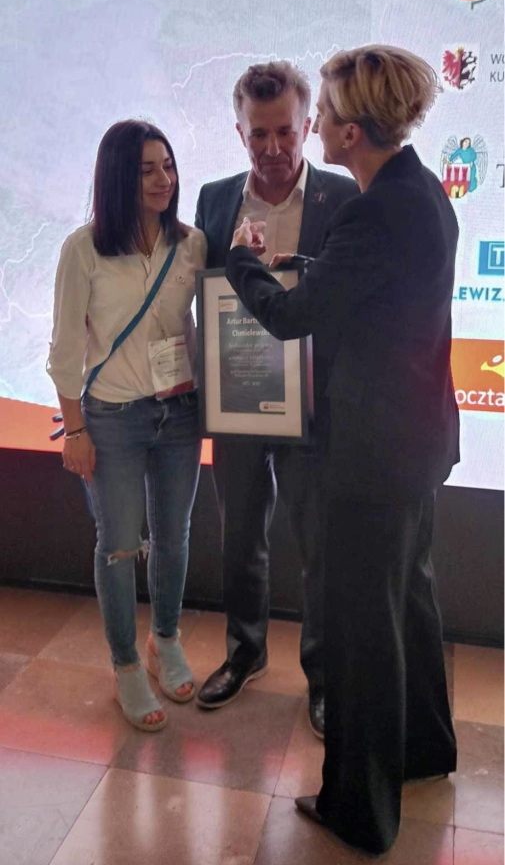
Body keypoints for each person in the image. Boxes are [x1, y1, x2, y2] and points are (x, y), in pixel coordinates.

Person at [226, 45, 459, 855]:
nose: (314, 125)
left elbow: (292, 319)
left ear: (349, 131)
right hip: (415, 443)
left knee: (364, 631)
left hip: (370, 454)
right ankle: (424, 749)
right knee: (410, 603)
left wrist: (243, 264)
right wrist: (302, 264)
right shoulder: (417, 191)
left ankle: (359, 809)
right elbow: (365, 284)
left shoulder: (369, 211)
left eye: (320, 113)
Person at [195, 61, 357, 736]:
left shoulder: (343, 197)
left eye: (284, 132)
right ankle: (245, 653)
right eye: (257, 134)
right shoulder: (213, 200)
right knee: (239, 537)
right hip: (236, 397)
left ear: (308, 125)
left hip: (311, 404)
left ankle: (322, 677)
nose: (271, 147)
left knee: (318, 545)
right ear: (239, 131)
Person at [47, 120, 206, 732]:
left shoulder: (191, 243)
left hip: (180, 412)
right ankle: (126, 667)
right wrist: (76, 431)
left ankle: (164, 640)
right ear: (117, 176)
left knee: (174, 537)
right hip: (112, 417)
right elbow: (66, 350)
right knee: (118, 546)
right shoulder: (82, 250)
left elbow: (212, 320)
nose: (164, 179)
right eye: (146, 170)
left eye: (168, 165)